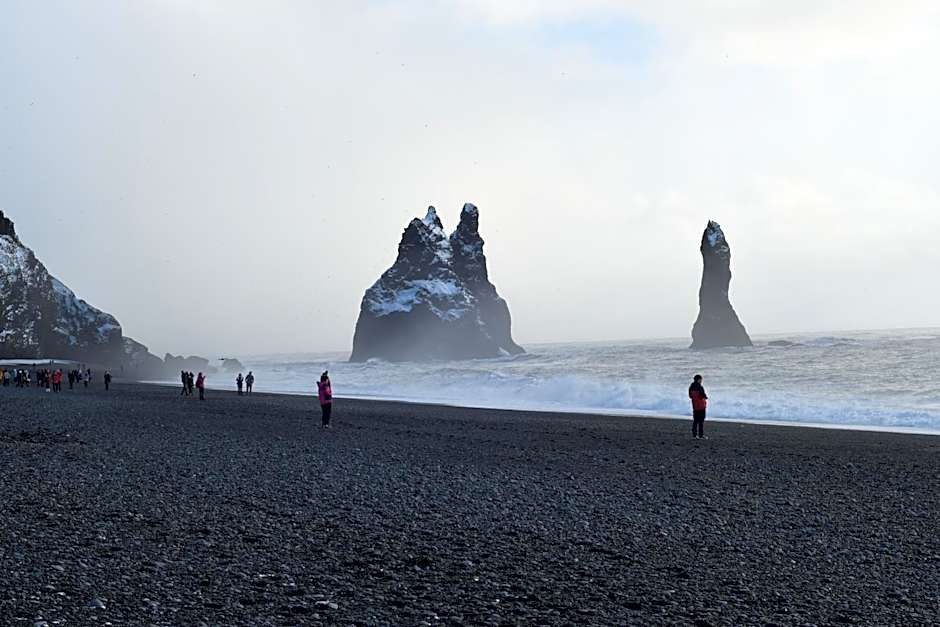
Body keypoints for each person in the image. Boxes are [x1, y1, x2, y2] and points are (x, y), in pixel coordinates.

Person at [688, 374, 708, 439]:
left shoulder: (691, 387)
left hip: (695, 406)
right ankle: (701, 435)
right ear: (699, 379)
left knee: (695, 421)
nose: (701, 381)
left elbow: (690, 396)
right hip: (701, 406)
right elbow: (703, 395)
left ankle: (694, 435)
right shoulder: (700, 387)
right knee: (701, 421)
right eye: (701, 379)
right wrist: (705, 397)